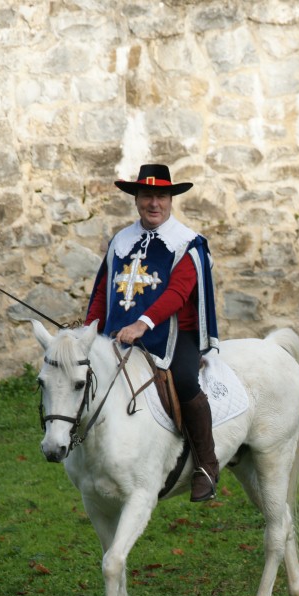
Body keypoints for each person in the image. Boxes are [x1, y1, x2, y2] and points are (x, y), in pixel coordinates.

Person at [85, 163, 221, 502]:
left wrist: (141, 324)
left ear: (171, 199)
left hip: (176, 334)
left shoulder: (188, 242)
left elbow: (177, 293)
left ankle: (206, 463)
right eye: (147, 196)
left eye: (161, 196)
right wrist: (89, 331)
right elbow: (104, 290)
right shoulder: (121, 240)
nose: (154, 203)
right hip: (121, 335)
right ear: (136, 200)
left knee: (186, 379)